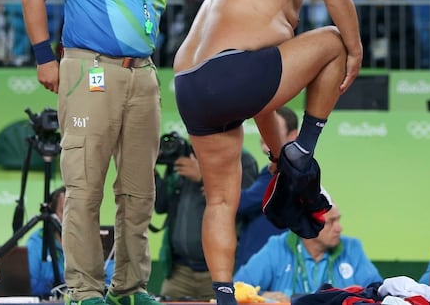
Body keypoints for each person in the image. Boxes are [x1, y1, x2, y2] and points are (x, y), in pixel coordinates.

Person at [20, 0, 265, 305]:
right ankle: (83, 290)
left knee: (139, 190)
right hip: (90, 70)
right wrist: (44, 58)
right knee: (85, 186)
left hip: (143, 76)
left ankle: (129, 288)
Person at [172, 0, 362, 305]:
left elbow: (261, 102)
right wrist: (355, 51)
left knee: (221, 202)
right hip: (232, 74)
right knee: (335, 39)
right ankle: (305, 148)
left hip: (189, 87)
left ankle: (224, 295)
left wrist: (278, 158)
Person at [154, 135, 258, 301]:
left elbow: (242, 206)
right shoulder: (182, 155)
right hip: (179, 272)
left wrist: (202, 177)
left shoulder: (240, 159)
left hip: (219, 273)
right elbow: (161, 205)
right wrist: (149, 170)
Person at [234, 199, 382, 302]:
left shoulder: (351, 248)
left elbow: (378, 292)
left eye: (338, 220)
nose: (339, 228)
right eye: (330, 222)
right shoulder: (278, 247)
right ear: (309, 225)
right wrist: (262, 296)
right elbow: (237, 288)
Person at [234, 106, 298, 270]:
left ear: (293, 136)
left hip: (269, 270)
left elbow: (240, 203)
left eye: (274, 127)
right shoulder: (271, 170)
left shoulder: (288, 171)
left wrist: (206, 180)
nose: (266, 133)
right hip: (259, 266)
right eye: (264, 127)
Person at [27, 187, 115, 299]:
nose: (71, 218)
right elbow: (30, 285)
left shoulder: (90, 238)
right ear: (52, 215)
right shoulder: (36, 241)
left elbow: (112, 274)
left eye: (76, 212)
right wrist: (69, 280)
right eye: (64, 211)